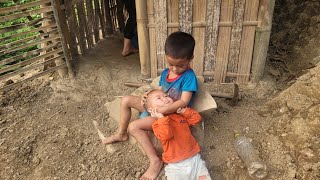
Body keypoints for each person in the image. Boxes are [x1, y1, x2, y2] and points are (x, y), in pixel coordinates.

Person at [103, 31, 198, 180]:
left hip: (169, 114)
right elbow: (161, 90)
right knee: (126, 99)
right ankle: (121, 134)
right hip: (158, 106)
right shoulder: (167, 72)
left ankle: (155, 161)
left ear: (190, 59)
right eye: (171, 64)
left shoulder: (189, 77)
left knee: (133, 127)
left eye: (180, 65)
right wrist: (148, 96)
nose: (174, 69)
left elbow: (184, 101)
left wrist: (164, 109)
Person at [144, 89, 211, 180]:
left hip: (195, 159)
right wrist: (161, 118)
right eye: (158, 98)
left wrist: (185, 111)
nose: (165, 99)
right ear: (151, 110)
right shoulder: (157, 124)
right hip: (175, 166)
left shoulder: (180, 116)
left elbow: (196, 119)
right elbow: (166, 135)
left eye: (166, 96)